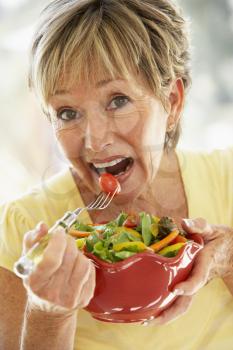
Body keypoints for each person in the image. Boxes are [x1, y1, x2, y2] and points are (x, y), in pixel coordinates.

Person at [0, 0, 233, 349]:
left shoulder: (227, 178)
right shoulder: (21, 226)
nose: (94, 141)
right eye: (67, 113)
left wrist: (227, 261)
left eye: (117, 101)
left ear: (172, 102)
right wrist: (48, 313)